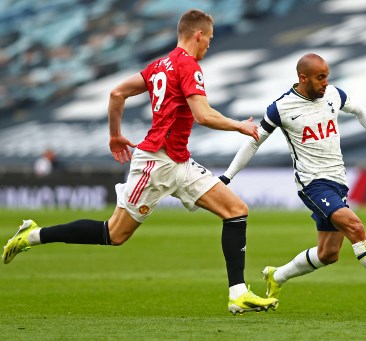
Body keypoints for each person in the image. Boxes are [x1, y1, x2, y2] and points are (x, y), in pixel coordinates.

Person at [2, 9, 278, 316]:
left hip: (179, 161)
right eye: (209, 40)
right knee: (114, 234)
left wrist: (115, 135)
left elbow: (117, 92)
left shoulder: (160, 64)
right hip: (156, 162)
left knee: (236, 211)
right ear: (198, 34)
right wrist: (239, 125)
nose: (208, 46)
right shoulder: (188, 65)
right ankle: (32, 236)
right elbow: (203, 115)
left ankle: (237, 294)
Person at [219, 53, 366, 311]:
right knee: (355, 226)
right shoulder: (281, 108)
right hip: (312, 184)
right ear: (303, 78)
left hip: (338, 181)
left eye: (327, 77)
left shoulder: (333, 94)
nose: (325, 83)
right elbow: (254, 142)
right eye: (320, 78)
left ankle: (278, 276)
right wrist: (227, 176)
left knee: (328, 254)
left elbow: (360, 110)